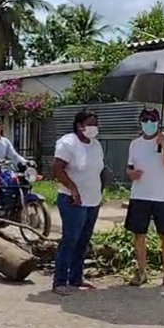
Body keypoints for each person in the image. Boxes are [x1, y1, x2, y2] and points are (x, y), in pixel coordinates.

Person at [50, 110, 104, 295]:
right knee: (70, 239)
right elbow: (57, 169)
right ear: (80, 125)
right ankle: (59, 281)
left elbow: (98, 171)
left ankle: (76, 277)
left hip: (93, 200)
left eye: (96, 123)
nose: (94, 127)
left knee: (83, 241)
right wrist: (73, 189)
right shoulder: (68, 143)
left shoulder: (96, 145)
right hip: (72, 200)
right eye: (90, 123)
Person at [125, 108, 164, 288]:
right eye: (146, 119)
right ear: (140, 122)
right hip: (139, 195)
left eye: (153, 119)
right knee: (139, 235)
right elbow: (128, 168)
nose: (149, 123)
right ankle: (141, 272)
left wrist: (163, 145)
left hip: (162, 196)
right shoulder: (135, 144)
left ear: (159, 121)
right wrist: (132, 173)